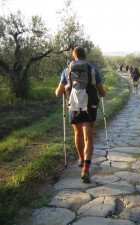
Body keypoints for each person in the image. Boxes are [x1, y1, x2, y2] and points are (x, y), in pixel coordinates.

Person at [55, 46, 106, 183]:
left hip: (74, 107)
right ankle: (86, 169)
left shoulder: (66, 71)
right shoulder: (93, 71)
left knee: (77, 134)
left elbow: (58, 93)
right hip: (90, 108)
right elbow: (102, 92)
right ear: (86, 57)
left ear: (73, 57)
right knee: (89, 139)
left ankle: (81, 159)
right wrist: (103, 92)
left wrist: (66, 87)